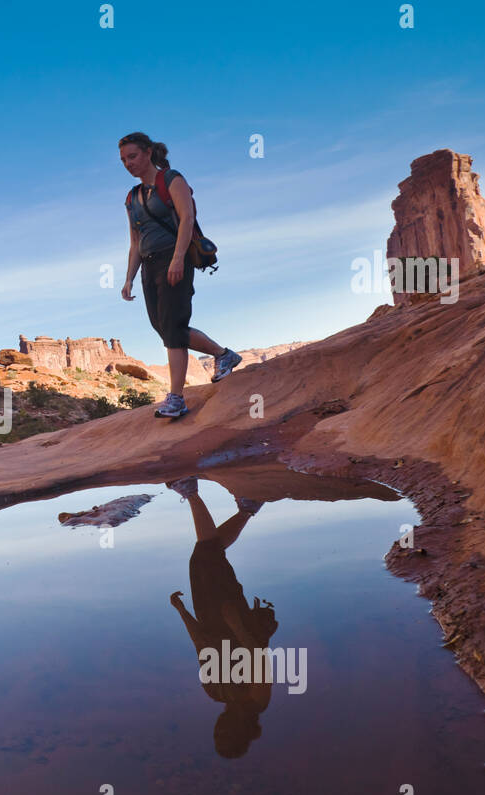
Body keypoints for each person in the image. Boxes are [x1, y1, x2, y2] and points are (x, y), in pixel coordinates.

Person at [119, 133, 242, 418]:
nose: (128, 164)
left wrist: (177, 258)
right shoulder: (132, 197)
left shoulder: (172, 180)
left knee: (173, 327)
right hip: (149, 265)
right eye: (124, 160)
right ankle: (224, 355)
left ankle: (176, 399)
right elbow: (135, 242)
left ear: (148, 153)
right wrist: (129, 278)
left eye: (133, 156)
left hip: (175, 259)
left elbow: (187, 218)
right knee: (163, 328)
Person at [167, 476, 273, 758]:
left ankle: (247, 509)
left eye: (217, 734)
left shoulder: (216, 694)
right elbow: (258, 658)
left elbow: (201, 647)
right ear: (241, 734)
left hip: (208, 616)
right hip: (233, 620)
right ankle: (191, 492)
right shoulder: (256, 701)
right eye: (225, 735)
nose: (220, 729)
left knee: (209, 555)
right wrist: (237, 624)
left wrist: (183, 613)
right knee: (205, 556)